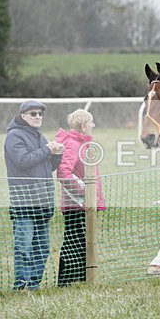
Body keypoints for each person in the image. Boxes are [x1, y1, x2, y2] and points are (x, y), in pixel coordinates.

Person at [4, 100, 64, 291]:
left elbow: (47, 167)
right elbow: (22, 161)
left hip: (43, 201)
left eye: (40, 113)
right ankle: (20, 285)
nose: (38, 117)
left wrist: (56, 155)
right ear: (23, 116)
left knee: (42, 249)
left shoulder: (41, 136)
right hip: (24, 203)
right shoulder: (14, 137)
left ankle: (34, 285)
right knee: (24, 248)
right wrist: (47, 150)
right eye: (33, 114)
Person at [55, 109, 106, 287]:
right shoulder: (73, 144)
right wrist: (82, 192)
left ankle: (79, 278)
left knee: (81, 240)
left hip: (84, 203)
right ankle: (66, 280)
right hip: (76, 204)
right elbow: (63, 172)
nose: (93, 125)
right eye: (91, 123)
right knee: (73, 240)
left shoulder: (81, 143)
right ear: (84, 126)